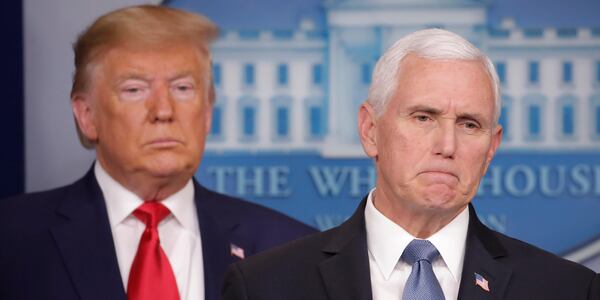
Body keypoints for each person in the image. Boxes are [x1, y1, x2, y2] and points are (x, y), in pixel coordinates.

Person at [220, 28, 600, 299]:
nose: (447, 145)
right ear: (370, 130)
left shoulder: (568, 289)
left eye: (470, 125)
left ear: (491, 148)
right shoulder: (265, 286)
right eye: (423, 118)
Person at [0, 5, 315, 300]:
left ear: (207, 112)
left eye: (182, 88)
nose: (164, 110)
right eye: (135, 89)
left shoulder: (292, 250)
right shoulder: (12, 239)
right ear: (87, 116)